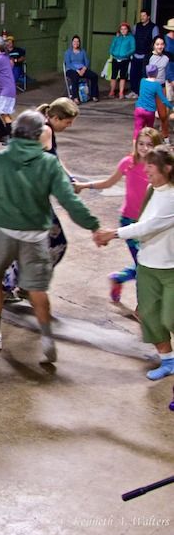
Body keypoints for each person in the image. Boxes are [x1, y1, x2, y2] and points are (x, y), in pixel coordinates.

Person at [0, 111, 100, 362]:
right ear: (37, 135)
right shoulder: (48, 163)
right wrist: (94, 226)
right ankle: (46, 337)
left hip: (4, 232)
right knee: (37, 288)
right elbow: (69, 201)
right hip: (36, 236)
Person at [94, 144, 173, 378]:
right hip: (147, 265)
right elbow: (143, 222)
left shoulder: (171, 196)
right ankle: (168, 360)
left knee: (170, 316)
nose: (146, 171)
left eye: (151, 167)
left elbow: (149, 226)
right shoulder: (152, 189)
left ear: (167, 168)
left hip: (171, 268)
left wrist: (113, 233)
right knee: (148, 315)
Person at [1, 98, 81, 301]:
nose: (68, 126)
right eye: (67, 122)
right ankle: (11, 285)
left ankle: (20, 285)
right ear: (55, 117)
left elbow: (54, 160)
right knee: (55, 243)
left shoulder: (45, 129)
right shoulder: (45, 131)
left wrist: (69, 177)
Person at [75, 128, 165, 302]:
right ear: (136, 144)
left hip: (151, 222)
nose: (145, 148)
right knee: (144, 265)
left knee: (150, 262)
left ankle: (119, 278)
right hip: (129, 221)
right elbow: (108, 182)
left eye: (149, 144)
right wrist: (84, 185)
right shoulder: (128, 163)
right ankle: (143, 306)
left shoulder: (160, 167)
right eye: (141, 144)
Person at [133, 65, 173, 139]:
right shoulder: (157, 85)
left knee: (137, 129)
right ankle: (149, 147)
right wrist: (171, 107)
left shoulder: (142, 81)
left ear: (147, 73)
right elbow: (163, 100)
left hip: (139, 109)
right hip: (149, 111)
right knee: (149, 131)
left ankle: (135, 148)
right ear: (156, 73)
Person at [129, 10, 159, 98]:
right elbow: (132, 38)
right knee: (133, 74)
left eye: (144, 15)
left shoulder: (154, 27)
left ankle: (141, 93)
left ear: (148, 17)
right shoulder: (136, 26)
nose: (142, 17)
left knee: (144, 75)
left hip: (146, 55)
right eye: (141, 15)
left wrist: (153, 54)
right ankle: (134, 91)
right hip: (136, 54)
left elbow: (155, 41)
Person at [62, 35, 100, 104]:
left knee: (94, 76)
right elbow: (68, 63)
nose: (76, 43)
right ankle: (75, 97)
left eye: (77, 41)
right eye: (74, 41)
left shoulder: (83, 51)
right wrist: (77, 70)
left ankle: (94, 95)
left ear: (79, 43)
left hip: (82, 69)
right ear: (72, 42)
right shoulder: (68, 52)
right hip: (71, 70)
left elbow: (87, 61)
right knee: (75, 77)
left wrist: (84, 69)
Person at [108, 23, 135, 99]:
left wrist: (126, 54)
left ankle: (121, 93)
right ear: (119, 30)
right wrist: (113, 53)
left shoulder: (131, 38)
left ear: (128, 30)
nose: (123, 30)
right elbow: (112, 47)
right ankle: (112, 91)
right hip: (115, 59)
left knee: (123, 77)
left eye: (125, 29)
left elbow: (133, 48)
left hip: (125, 59)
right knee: (113, 76)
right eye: (121, 29)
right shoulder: (117, 37)